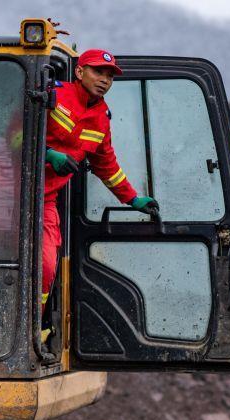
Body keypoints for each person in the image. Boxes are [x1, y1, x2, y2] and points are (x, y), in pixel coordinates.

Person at [42, 48, 159, 302]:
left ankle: (30, 330)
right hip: (3, 189)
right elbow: (14, 134)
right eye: (98, 71)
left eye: (110, 75)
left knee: (46, 266)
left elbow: (106, 165)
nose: (105, 80)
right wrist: (46, 154)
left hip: (45, 199)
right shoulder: (53, 93)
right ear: (80, 71)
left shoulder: (101, 119)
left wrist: (133, 199)